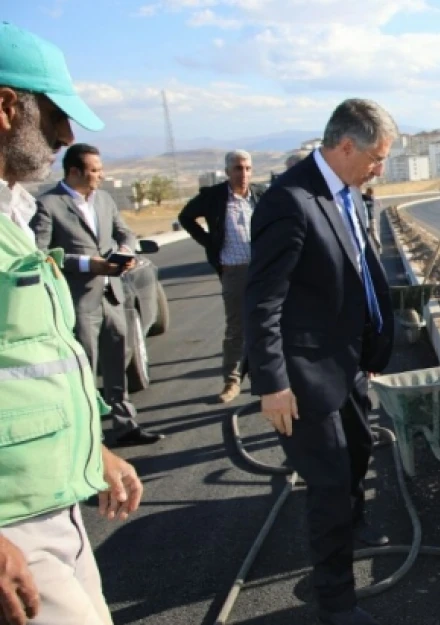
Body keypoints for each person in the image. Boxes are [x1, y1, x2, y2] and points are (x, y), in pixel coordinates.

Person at [0, 21, 144, 625]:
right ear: (7, 107)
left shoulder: (11, 210)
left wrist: (94, 451)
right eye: (55, 115)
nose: (65, 135)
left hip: (53, 508)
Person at [244, 99, 396, 625]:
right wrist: (271, 383)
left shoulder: (345, 194)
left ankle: (352, 525)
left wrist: (370, 347)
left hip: (349, 363)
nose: (380, 168)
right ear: (346, 145)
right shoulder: (290, 200)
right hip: (305, 374)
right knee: (328, 486)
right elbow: (262, 300)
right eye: (376, 157)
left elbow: (356, 270)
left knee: (357, 457)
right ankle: (336, 602)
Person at [32, 143, 164, 446]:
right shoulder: (48, 205)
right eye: (94, 171)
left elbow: (125, 233)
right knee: (84, 371)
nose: (100, 176)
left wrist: (125, 251)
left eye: (101, 170)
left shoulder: (104, 200)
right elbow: (40, 255)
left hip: (114, 296)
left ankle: (125, 426)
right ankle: (91, 439)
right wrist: (86, 263)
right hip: (80, 302)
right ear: (74, 171)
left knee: (118, 364)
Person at [177, 149, 264, 403]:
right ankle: (232, 381)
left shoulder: (260, 195)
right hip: (233, 271)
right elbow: (185, 217)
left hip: (262, 270)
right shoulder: (213, 197)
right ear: (227, 172)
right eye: (238, 168)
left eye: (248, 168)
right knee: (237, 328)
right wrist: (210, 244)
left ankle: (265, 380)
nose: (244, 174)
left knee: (267, 325)